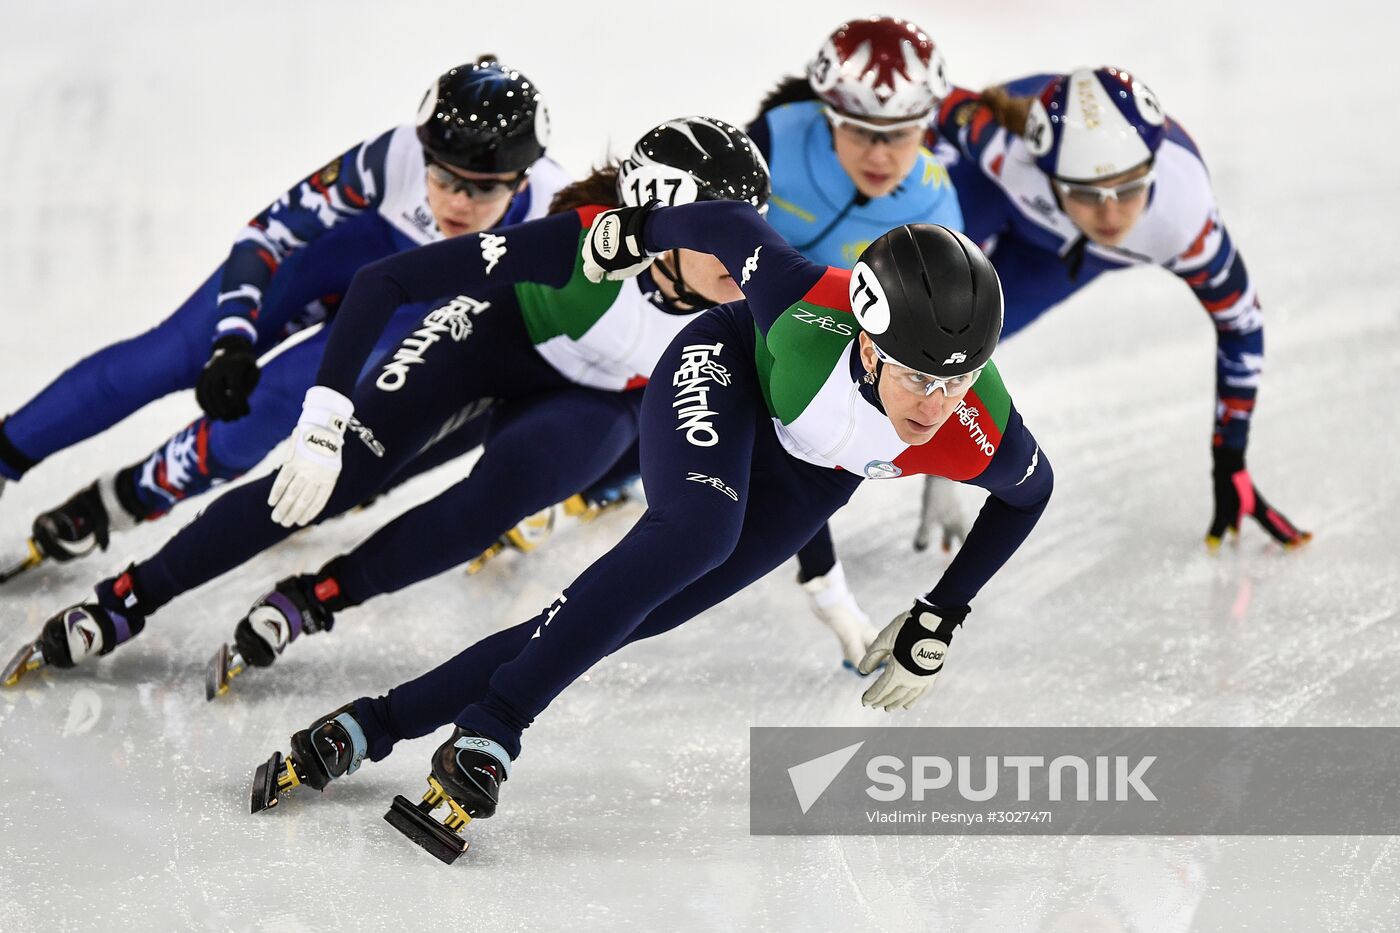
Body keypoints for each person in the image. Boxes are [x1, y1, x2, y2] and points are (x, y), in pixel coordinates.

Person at [249, 201, 1052, 864]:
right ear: (869, 346)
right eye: (919, 377)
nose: (938, 404)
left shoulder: (979, 427)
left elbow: (1029, 494)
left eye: (958, 380)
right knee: (695, 531)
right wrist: (632, 232)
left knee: (625, 613)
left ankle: (376, 720)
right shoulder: (807, 305)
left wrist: (941, 614)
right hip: (729, 369)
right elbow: (733, 226)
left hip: (813, 475)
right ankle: (495, 727)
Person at [1, 117, 770, 691]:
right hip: (495, 335)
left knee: (488, 508)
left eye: (748, 228)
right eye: (715, 235)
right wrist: (325, 412)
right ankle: (131, 596)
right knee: (331, 479)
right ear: (657, 230)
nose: (740, 252)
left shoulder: (762, 296)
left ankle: (318, 597)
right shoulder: (577, 243)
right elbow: (385, 284)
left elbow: (798, 433)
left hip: (598, 402)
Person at [498, 15, 968, 666]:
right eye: (860, 130)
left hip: (798, 355)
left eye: (901, 134)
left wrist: (940, 458)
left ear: (930, 125)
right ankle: (591, 468)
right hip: (721, 317)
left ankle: (609, 477)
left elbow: (942, 348)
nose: (880, 156)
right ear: (827, 114)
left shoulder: (937, 215)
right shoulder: (777, 140)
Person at [0, 59, 566, 580]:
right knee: (171, 354)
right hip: (350, 255)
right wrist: (231, 340)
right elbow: (267, 234)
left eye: (482, 188)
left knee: (270, 407)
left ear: (522, 180)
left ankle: (124, 499)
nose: (458, 203)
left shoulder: (552, 218)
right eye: (443, 178)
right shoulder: (390, 159)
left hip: (419, 305)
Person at [931, 66, 1309, 548]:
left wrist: (1230, 460)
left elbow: (1242, 327)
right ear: (1047, 173)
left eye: (1129, 190)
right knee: (917, 299)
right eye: (1087, 194)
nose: (1110, 214)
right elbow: (922, 95)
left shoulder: (1183, 219)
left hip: (1063, 252)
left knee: (966, 337)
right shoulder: (1008, 154)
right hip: (998, 193)